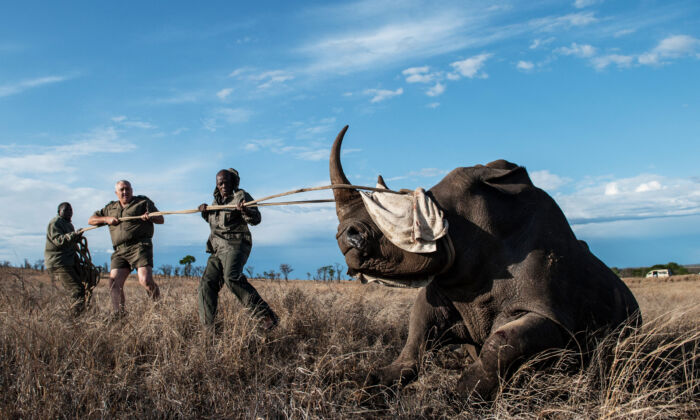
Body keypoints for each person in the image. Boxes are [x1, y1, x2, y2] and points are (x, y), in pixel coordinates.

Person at [197, 168, 278, 330]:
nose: (224, 185)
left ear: (234, 182)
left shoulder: (241, 197)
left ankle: (266, 317)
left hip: (236, 244)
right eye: (220, 183)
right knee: (206, 284)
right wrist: (204, 212)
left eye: (227, 182)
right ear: (217, 185)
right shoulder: (215, 203)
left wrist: (245, 210)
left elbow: (256, 219)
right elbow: (216, 223)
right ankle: (209, 329)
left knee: (231, 277)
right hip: (217, 248)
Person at [88, 180, 163, 316]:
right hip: (119, 250)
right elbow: (91, 220)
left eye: (127, 189)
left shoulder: (142, 202)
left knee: (145, 280)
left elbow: (161, 219)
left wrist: (150, 217)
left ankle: (159, 310)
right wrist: (106, 219)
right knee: (113, 283)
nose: (125, 192)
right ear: (116, 193)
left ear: (132, 190)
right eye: (121, 190)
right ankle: (119, 315)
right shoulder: (110, 208)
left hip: (139, 246)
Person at [45, 202, 85, 316]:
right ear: (59, 212)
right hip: (59, 262)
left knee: (80, 287)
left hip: (68, 261)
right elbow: (59, 241)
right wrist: (73, 235)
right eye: (66, 210)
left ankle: (79, 313)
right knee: (77, 290)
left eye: (70, 210)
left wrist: (76, 237)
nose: (69, 212)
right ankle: (74, 318)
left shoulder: (68, 224)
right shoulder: (55, 223)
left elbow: (69, 242)